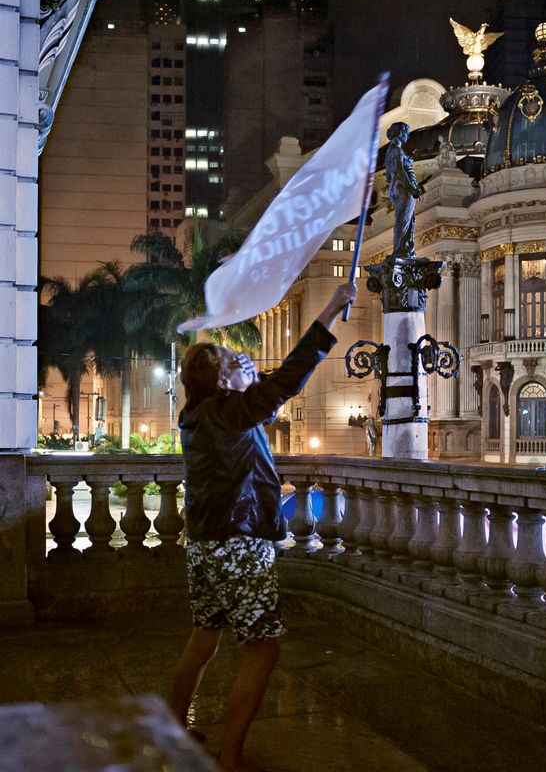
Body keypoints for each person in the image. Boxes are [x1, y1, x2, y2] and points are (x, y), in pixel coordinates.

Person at [169, 282, 356, 772]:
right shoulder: (229, 413)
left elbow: (267, 384)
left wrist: (242, 365)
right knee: (263, 649)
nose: (244, 362)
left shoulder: (198, 414)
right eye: (234, 363)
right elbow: (285, 382)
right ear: (220, 380)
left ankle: (171, 731)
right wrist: (330, 314)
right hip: (238, 543)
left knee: (204, 636)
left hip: (205, 545)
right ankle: (230, 757)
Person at [385, 121, 420, 257]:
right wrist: (412, 188)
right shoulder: (397, 150)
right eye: (407, 133)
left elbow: (388, 177)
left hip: (395, 189)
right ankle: (401, 251)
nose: (408, 136)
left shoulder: (390, 151)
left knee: (402, 219)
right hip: (402, 189)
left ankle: (401, 248)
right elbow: (400, 170)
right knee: (404, 220)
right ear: (400, 133)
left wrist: (406, 163)